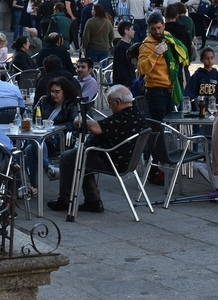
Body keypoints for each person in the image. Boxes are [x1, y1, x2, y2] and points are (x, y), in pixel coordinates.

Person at [47, 85, 147, 213]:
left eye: (110, 104)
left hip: (112, 160)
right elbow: (107, 126)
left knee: (69, 157)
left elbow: (97, 128)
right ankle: (93, 201)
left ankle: (65, 200)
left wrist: (82, 121)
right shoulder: (136, 113)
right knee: (82, 156)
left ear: (118, 102)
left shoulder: (123, 117)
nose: (109, 107)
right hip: (126, 158)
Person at [24, 77, 79, 191]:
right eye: (52, 91)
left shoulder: (71, 104)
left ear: (65, 91)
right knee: (31, 145)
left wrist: (53, 127)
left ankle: (34, 184)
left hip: (60, 139)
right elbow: (33, 117)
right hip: (42, 137)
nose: (54, 95)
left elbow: (73, 124)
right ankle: (48, 168)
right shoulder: (44, 101)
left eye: (57, 92)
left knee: (31, 145)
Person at [137, 12, 189, 121]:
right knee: (159, 126)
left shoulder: (168, 37)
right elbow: (141, 69)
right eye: (153, 29)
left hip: (171, 89)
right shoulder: (146, 45)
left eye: (159, 28)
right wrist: (155, 54)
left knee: (169, 126)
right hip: (155, 92)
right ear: (149, 28)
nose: (157, 31)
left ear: (164, 25)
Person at [112, 21, 136, 87]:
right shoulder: (120, 47)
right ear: (126, 31)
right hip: (123, 84)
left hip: (130, 81)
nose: (134, 31)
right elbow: (120, 67)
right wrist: (125, 84)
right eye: (132, 29)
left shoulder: (129, 45)